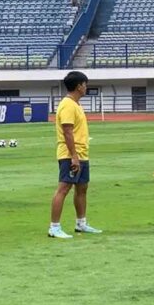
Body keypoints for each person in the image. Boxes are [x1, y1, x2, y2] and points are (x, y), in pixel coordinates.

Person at [49, 71, 102, 239]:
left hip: (81, 153)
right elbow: (67, 131)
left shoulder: (76, 104)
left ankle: (81, 223)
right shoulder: (68, 105)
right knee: (63, 188)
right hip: (70, 154)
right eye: (85, 84)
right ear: (79, 86)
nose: (86, 87)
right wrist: (73, 156)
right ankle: (54, 227)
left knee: (82, 188)